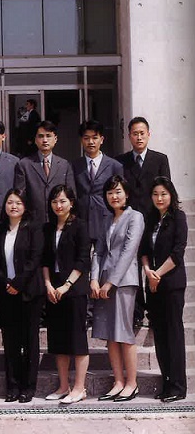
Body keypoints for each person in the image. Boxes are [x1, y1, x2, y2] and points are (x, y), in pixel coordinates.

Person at [91, 175, 144, 402]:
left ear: (127, 194)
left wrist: (110, 282)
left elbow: (128, 252)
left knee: (123, 332)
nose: (114, 196)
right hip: (103, 281)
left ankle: (132, 383)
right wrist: (94, 279)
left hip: (123, 282)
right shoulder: (106, 219)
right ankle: (118, 382)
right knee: (110, 334)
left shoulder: (135, 217)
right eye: (110, 192)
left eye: (118, 191)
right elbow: (99, 251)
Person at [116, 116, 171, 327]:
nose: (138, 137)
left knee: (153, 266)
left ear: (149, 134)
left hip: (153, 222)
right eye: (134, 133)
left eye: (142, 133)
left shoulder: (160, 159)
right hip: (130, 222)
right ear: (129, 136)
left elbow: (166, 190)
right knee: (133, 266)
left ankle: (155, 311)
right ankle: (137, 311)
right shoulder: (121, 161)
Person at [140, 177, 188, 403]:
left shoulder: (178, 217)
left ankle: (178, 387)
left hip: (171, 284)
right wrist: (148, 271)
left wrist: (157, 274)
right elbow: (143, 251)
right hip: (153, 285)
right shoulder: (151, 220)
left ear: (171, 195)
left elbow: (178, 253)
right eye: (155, 194)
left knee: (173, 334)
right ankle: (166, 383)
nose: (159, 198)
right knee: (160, 335)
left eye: (164, 194)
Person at [42, 185, 90, 404]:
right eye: (54, 201)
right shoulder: (48, 228)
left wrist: (67, 285)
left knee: (77, 340)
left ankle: (79, 388)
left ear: (71, 202)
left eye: (62, 201)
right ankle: (63, 386)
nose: (58, 205)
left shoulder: (80, 226)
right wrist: (48, 285)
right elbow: (45, 260)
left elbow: (83, 259)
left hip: (74, 290)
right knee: (58, 341)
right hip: (54, 291)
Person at [0, 189, 44, 404]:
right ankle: (13, 386)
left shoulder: (33, 229)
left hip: (29, 293)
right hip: (6, 294)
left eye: (18, 203)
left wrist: (18, 283)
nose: (13, 206)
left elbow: (35, 259)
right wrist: (5, 282)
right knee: (11, 341)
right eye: (10, 202)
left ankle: (28, 386)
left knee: (30, 341)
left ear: (25, 207)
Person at [72, 120, 123, 245]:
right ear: (81, 140)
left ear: (102, 139)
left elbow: (121, 196)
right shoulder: (74, 166)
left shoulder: (115, 166)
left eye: (95, 138)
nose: (91, 142)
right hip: (82, 222)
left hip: (106, 221)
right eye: (86, 138)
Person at [15, 120, 76, 224]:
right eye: (41, 136)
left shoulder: (64, 165)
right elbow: (19, 197)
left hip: (59, 222)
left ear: (55, 139)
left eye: (48, 136)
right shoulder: (24, 164)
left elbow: (71, 195)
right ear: (35, 140)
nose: (45, 140)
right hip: (33, 223)